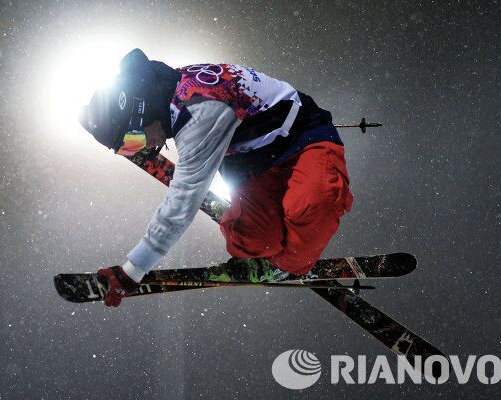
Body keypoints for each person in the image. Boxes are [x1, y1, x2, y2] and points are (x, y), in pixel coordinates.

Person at [79, 49, 353, 306]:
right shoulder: (167, 95)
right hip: (251, 162)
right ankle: (266, 246)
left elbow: (184, 196)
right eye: (129, 150)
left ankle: (285, 265)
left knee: (314, 204)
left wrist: (133, 270)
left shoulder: (198, 111)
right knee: (258, 241)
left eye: (133, 141)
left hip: (302, 139)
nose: (144, 148)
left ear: (143, 110)